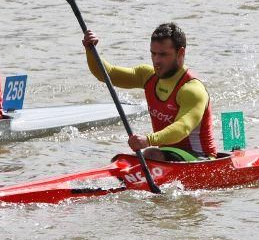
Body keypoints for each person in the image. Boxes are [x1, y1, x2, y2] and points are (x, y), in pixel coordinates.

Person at [82, 22, 217, 161]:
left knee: (150, 154)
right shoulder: (147, 75)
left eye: (163, 55)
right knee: (121, 160)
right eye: (153, 54)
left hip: (200, 157)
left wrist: (148, 140)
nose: (156, 61)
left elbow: (183, 128)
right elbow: (106, 74)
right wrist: (90, 49)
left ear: (181, 52)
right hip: (166, 154)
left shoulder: (192, 89)